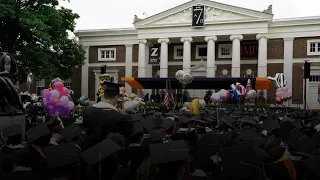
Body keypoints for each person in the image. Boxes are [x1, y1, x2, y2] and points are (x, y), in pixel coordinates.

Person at [82, 82, 134, 148]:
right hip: (109, 154)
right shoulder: (118, 117)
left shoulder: (88, 110)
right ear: (116, 97)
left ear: (104, 95)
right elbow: (130, 131)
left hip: (89, 152)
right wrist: (123, 115)